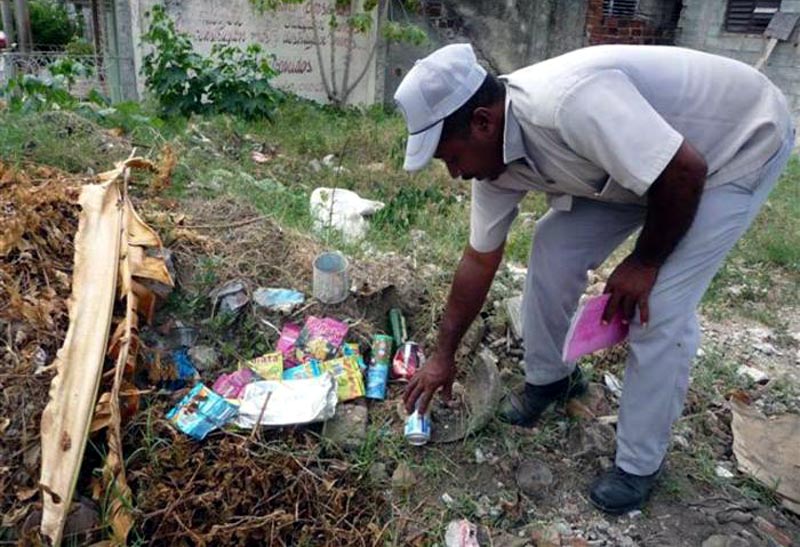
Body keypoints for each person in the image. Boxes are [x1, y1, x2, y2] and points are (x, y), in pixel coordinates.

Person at [396, 43, 794, 514]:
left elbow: (684, 171)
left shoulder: (570, 104)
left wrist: (643, 262)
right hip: (639, 169)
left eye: (450, 158)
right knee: (553, 247)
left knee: (659, 304)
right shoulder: (493, 166)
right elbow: (478, 261)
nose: (456, 173)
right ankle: (550, 380)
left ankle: (639, 465)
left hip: (732, 147)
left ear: (482, 122)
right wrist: (442, 355)